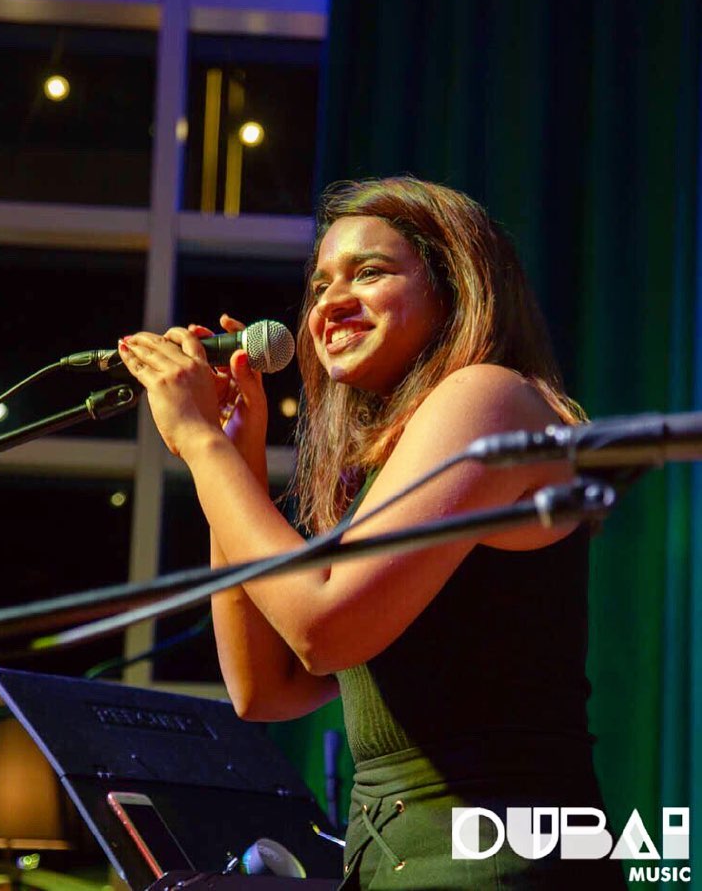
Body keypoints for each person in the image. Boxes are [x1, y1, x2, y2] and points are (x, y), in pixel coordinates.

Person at [116, 176, 624, 889]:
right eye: (320, 284)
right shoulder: (401, 460)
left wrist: (201, 446)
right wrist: (236, 452)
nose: (330, 302)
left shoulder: (487, 395)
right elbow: (265, 688)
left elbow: (323, 626)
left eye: (370, 272)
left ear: (454, 288)